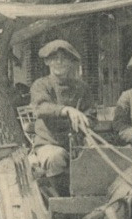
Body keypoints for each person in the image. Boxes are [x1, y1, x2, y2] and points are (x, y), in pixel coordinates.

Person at [27, 39, 93, 199]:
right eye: (55, 58)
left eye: (64, 58)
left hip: (77, 145)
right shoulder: (41, 85)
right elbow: (41, 107)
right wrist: (66, 110)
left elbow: (91, 114)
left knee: (98, 158)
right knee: (56, 157)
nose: (59, 62)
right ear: (47, 61)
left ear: (71, 62)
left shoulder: (82, 87)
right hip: (48, 144)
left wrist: (86, 122)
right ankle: (61, 205)